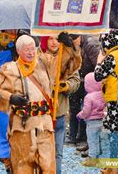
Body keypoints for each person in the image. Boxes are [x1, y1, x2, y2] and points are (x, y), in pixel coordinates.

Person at [0, 35, 55, 173]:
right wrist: (11, 98)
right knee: (22, 166)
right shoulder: (9, 70)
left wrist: (70, 46)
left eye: (33, 49)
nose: (31, 52)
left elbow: (66, 65)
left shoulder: (45, 64)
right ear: (19, 51)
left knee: (48, 166)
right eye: (27, 50)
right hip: (22, 126)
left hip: (44, 124)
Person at [40, 33, 81, 174]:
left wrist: (65, 85)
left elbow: (76, 80)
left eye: (57, 39)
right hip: (40, 113)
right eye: (49, 38)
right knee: (40, 153)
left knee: (57, 153)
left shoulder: (67, 57)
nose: (54, 42)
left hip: (59, 112)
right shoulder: (36, 57)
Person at [77, 73, 105, 167]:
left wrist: (80, 115)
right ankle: (100, 158)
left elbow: (86, 111)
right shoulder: (102, 94)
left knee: (92, 141)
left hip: (91, 123)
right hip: (101, 120)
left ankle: (92, 159)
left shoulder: (88, 97)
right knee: (99, 140)